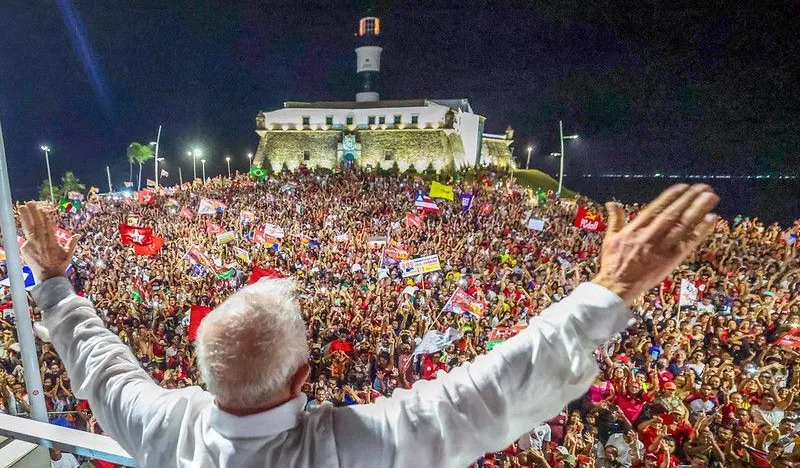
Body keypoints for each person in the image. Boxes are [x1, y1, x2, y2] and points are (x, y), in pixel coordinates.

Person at [17, 183, 719, 467]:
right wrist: (611, 287)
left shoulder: (168, 425)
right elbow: (482, 398)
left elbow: (103, 371)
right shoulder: (345, 448)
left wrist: (52, 283)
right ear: (302, 379)